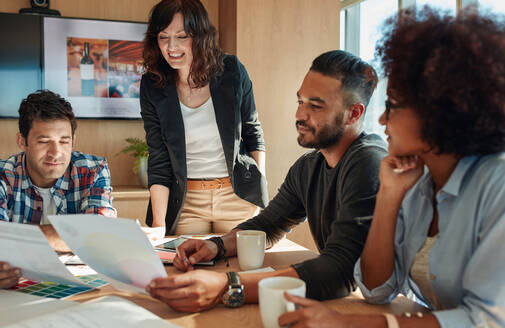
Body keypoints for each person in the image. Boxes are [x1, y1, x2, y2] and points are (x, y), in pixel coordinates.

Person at [277, 7, 505, 328]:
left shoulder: (497, 185)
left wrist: (349, 325)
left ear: (441, 111)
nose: (382, 119)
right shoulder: (418, 183)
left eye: (393, 105)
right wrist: (388, 194)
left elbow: (487, 320)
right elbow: (376, 289)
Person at [145, 50, 388, 312]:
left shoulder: (369, 162)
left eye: (315, 106)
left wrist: (227, 285)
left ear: (354, 114)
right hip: (340, 302)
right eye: (300, 101)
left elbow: (340, 270)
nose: (300, 115)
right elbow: (268, 224)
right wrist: (214, 246)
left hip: (375, 309)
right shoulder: (309, 167)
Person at [140, 0, 268, 237]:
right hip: (188, 202)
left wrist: (257, 192)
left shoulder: (231, 70)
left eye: (182, 36)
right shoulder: (152, 85)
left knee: (239, 268)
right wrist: (159, 224)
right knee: (187, 266)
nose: (171, 47)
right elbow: (158, 157)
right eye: (163, 37)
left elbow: (252, 133)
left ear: (200, 36)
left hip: (236, 196)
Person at [0, 90, 117, 289]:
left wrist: (14, 239)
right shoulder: (4, 175)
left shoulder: (92, 170)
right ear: (22, 141)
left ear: (73, 140)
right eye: (44, 142)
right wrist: (73, 234)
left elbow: (99, 235)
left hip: (79, 288)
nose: (56, 153)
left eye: (64, 141)